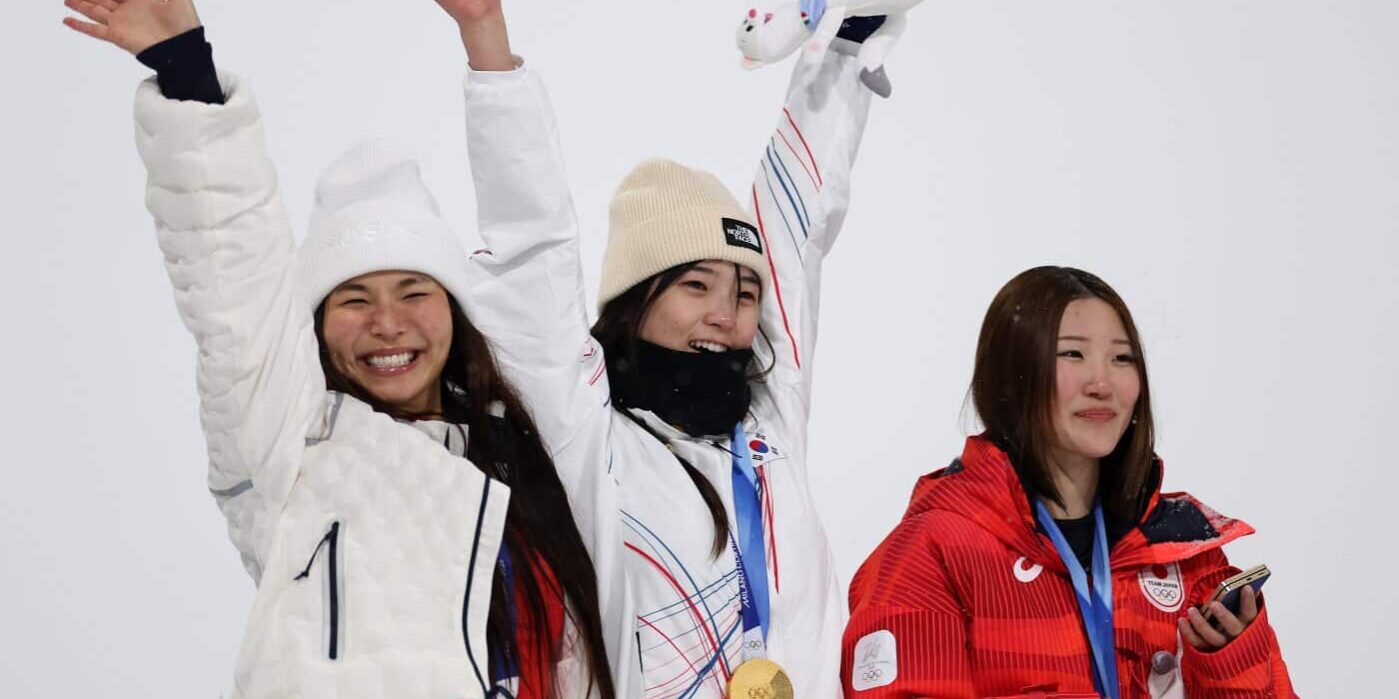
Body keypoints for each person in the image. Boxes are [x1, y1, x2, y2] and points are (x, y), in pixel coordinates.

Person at [62, 0, 613, 696]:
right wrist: (185, 69)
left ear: (456, 312)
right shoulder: (286, 444)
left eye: (414, 291)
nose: (388, 323)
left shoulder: (521, 452)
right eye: (354, 299)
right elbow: (231, 273)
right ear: (314, 324)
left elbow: (535, 253)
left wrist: (486, 37)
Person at [448, 1, 899, 694]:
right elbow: (529, 259)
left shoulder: (769, 422)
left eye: (745, 293)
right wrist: (487, 40)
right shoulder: (589, 440)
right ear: (635, 301)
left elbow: (794, 229)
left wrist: (845, 44)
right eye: (695, 284)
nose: (725, 313)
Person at [840, 266, 1297, 699]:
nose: (1102, 383)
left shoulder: (1186, 554)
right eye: (1073, 354)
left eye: (1122, 358)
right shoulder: (931, 553)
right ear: (1010, 376)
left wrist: (1230, 669)